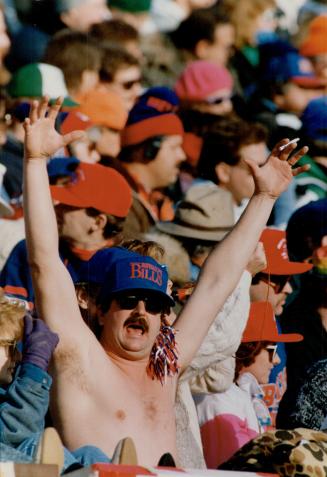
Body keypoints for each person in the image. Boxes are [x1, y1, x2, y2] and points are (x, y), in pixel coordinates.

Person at [22, 96, 308, 466]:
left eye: (154, 303)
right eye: (127, 300)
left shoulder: (167, 366)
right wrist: (34, 162)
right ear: (94, 305)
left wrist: (264, 198)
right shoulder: (81, 360)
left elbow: (217, 282)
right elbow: (44, 262)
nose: (142, 311)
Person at [0, 161, 132, 305]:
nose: (57, 206)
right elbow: (11, 319)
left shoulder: (125, 271)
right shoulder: (30, 250)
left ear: (98, 222)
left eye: (68, 205)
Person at [195, 301, 302, 469]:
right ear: (247, 347)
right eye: (271, 350)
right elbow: (228, 470)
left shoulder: (240, 395)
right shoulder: (219, 400)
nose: (276, 360)